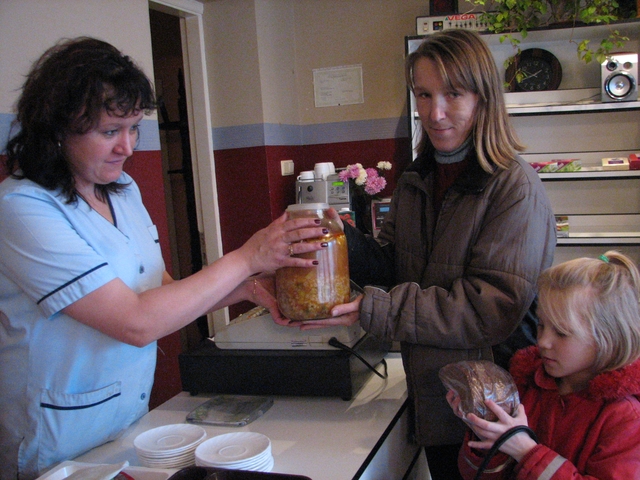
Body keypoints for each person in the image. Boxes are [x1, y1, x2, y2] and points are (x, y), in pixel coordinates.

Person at [0, 37, 328, 479]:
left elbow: (161, 294)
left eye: (133, 127)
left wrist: (253, 288)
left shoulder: (123, 191)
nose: (128, 147)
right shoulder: (22, 208)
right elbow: (137, 322)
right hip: (57, 435)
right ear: (59, 128)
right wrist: (248, 257)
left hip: (127, 422)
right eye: (109, 131)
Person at [286, 29, 556, 479]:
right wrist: (343, 238)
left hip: (494, 409)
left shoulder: (514, 187)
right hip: (436, 398)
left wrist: (372, 308)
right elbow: (398, 266)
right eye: (424, 94)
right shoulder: (418, 178)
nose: (435, 112)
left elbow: (490, 307)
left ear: (484, 97)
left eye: (453, 94)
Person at [447, 251, 640, 479]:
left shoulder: (626, 417)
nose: (543, 341)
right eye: (541, 325)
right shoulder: (529, 387)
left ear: (608, 338)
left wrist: (526, 451)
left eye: (561, 332)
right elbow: (477, 474)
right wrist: (486, 433)